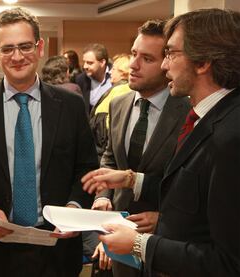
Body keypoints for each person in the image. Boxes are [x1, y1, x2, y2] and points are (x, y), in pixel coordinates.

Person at [82, 8, 240, 277]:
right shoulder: (207, 117)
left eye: (171, 54)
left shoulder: (231, 136)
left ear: (203, 63)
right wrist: (132, 180)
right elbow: (190, 192)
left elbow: (228, 261)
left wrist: (140, 244)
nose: (166, 66)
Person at [0, 7, 98, 277]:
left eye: (25, 46)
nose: (17, 57)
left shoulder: (71, 105)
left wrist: (74, 210)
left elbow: (86, 169)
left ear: (39, 48)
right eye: (8, 49)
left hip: (58, 247)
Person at [87, 20, 190, 277]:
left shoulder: (188, 111)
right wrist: (102, 196)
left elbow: (187, 183)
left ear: (167, 64)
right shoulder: (119, 103)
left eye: (147, 58)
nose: (133, 65)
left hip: (167, 240)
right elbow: (111, 157)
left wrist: (163, 217)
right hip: (119, 236)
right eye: (133, 54)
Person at [89, 53, 132, 161]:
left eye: (114, 69)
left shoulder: (121, 89)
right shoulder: (120, 88)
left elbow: (113, 126)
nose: (109, 71)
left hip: (104, 150)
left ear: (123, 72)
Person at [76, 43, 112, 114]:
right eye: (84, 62)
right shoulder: (81, 79)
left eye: (90, 63)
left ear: (102, 62)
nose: (85, 66)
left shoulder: (115, 76)